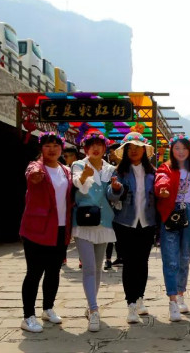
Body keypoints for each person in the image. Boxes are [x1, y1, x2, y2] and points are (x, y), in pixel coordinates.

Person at [19, 132, 73, 333]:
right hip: (37, 229)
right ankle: (28, 316)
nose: (52, 149)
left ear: (61, 149)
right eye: (48, 145)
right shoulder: (36, 167)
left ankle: (48, 308)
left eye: (56, 145)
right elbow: (31, 173)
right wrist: (34, 177)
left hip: (60, 228)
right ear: (41, 148)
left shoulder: (66, 170)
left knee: (53, 271)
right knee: (34, 272)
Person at [71, 132, 119, 332]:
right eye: (91, 145)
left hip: (104, 221)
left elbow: (113, 195)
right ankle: (94, 309)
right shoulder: (79, 165)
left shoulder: (110, 169)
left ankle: (91, 305)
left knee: (98, 268)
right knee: (89, 267)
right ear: (85, 149)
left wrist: (116, 188)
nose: (96, 148)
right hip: (83, 222)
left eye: (99, 144)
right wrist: (84, 175)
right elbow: (77, 184)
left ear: (105, 148)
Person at [111, 132, 157, 324]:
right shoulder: (119, 172)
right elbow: (111, 196)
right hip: (125, 222)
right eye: (129, 148)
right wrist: (115, 189)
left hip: (147, 222)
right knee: (129, 263)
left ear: (144, 150)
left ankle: (139, 298)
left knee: (142, 262)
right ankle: (130, 303)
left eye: (137, 147)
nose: (133, 151)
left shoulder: (153, 173)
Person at [155, 134, 190, 321]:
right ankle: (172, 301)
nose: (181, 152)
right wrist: (163, 189)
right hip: (171, 213)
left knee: (185, 257)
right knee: (170, 258)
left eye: (184, 148)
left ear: (189, 151)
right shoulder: (165, 168)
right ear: (171, 151)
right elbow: (161, 179)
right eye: (177, 148)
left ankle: (181, 294)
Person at [104, 142, 122, 270]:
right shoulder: (110, 169)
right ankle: (108, 259)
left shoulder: (123, 169)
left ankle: (119, 257)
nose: (109, 155)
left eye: (111, 153)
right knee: (110, 233)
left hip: (122, 207)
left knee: (118, 234)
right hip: (111, 205)